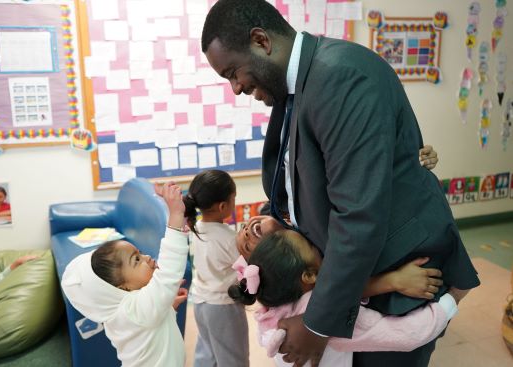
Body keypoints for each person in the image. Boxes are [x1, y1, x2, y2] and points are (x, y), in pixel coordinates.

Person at [201, 1, 480, 366]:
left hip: (391, 282)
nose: (236, 88)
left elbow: (358, 214)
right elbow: (298, 177)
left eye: (233, 72)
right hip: (353, 280)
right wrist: (276, 219)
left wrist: (317, 325)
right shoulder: (298, 88)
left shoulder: (342, 77)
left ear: (260, 40)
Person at [228, 230, 468, 367]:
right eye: (313, 247)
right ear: (309, 275)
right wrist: (451, 300)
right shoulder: (323, 316)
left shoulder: (270, 301)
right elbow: (406, 335)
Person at [61, 183, 189, 367]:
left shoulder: (123, 311)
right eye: (136, 260)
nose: (146, 258)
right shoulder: (134, 310)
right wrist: (176, 215)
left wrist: (167, 306)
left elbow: (151, 328)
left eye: (140, 253)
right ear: (122, 287)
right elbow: (168, 273)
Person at [184, 170, 249, 367]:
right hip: (224, 306)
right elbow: (248, 269)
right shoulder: (229, 239)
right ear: (223, 206)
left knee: (208, 353)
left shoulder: (195, 229)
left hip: (200, 303)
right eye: (233, 199)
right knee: (233, 357)